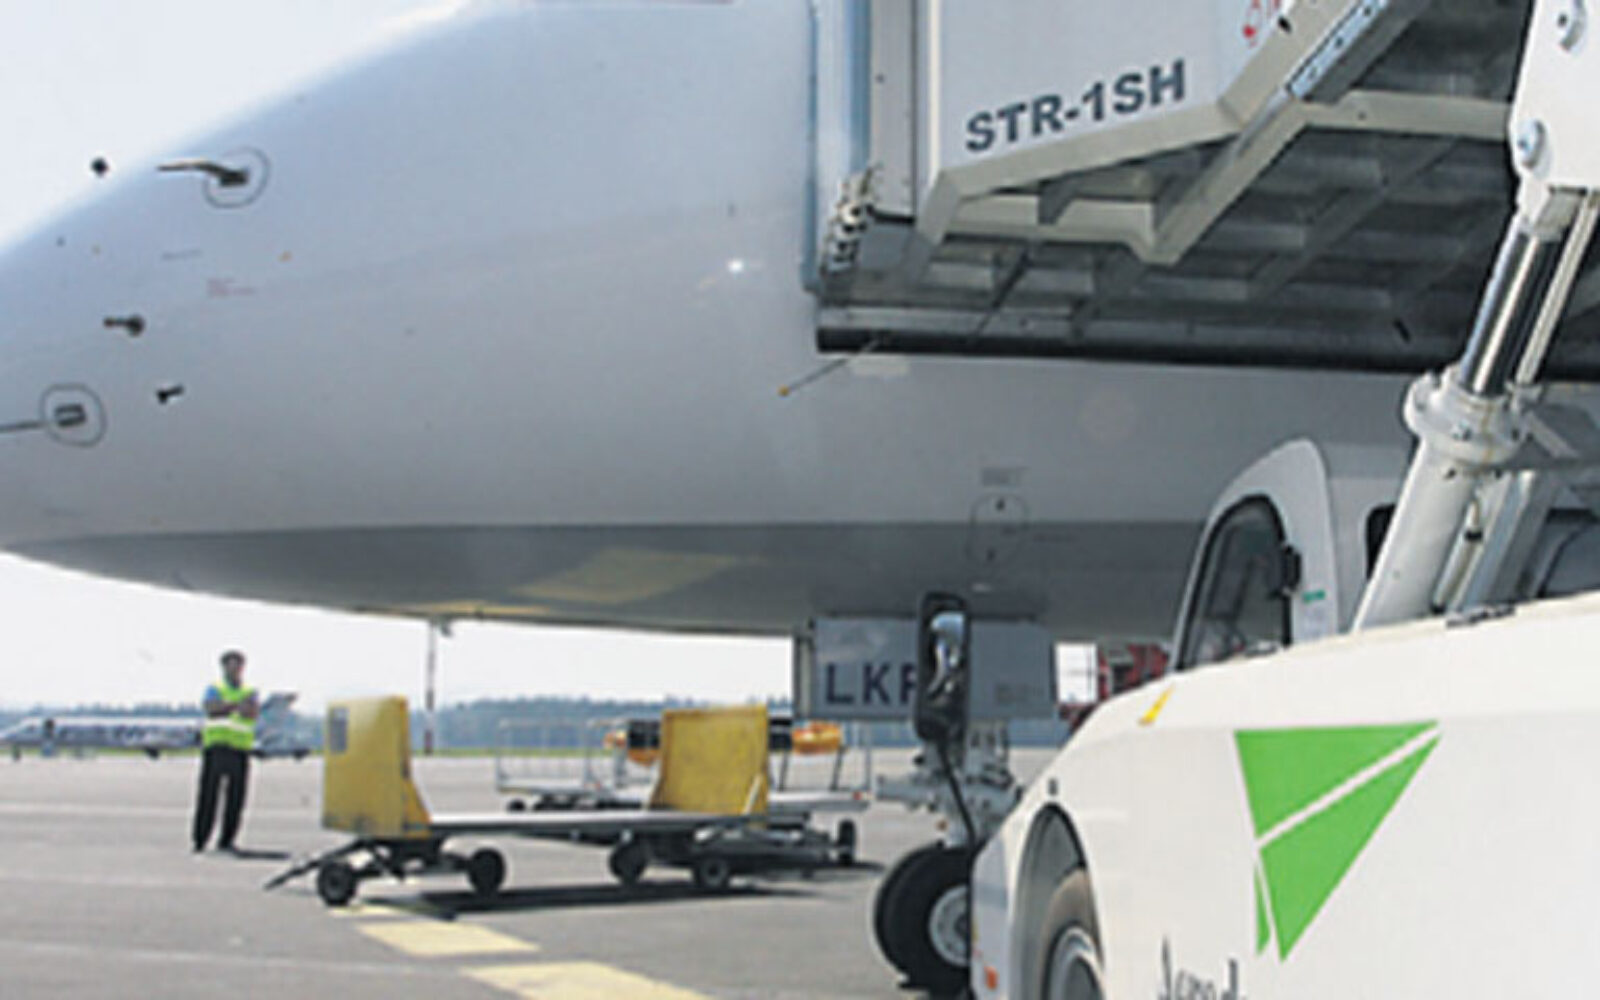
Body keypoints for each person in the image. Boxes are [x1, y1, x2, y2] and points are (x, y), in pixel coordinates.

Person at [191, 649, 259, 852]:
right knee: (208, 796)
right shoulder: (215, 688)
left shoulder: (249, 691)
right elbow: (211, 708)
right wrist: (236, 706)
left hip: (240, 749)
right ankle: (200, 838)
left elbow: (251, 712)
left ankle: (227, 839)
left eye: (238, 666)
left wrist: (228, 707)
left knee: (236, 798)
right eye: (230, 666)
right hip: (217, 747)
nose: (234, 670)